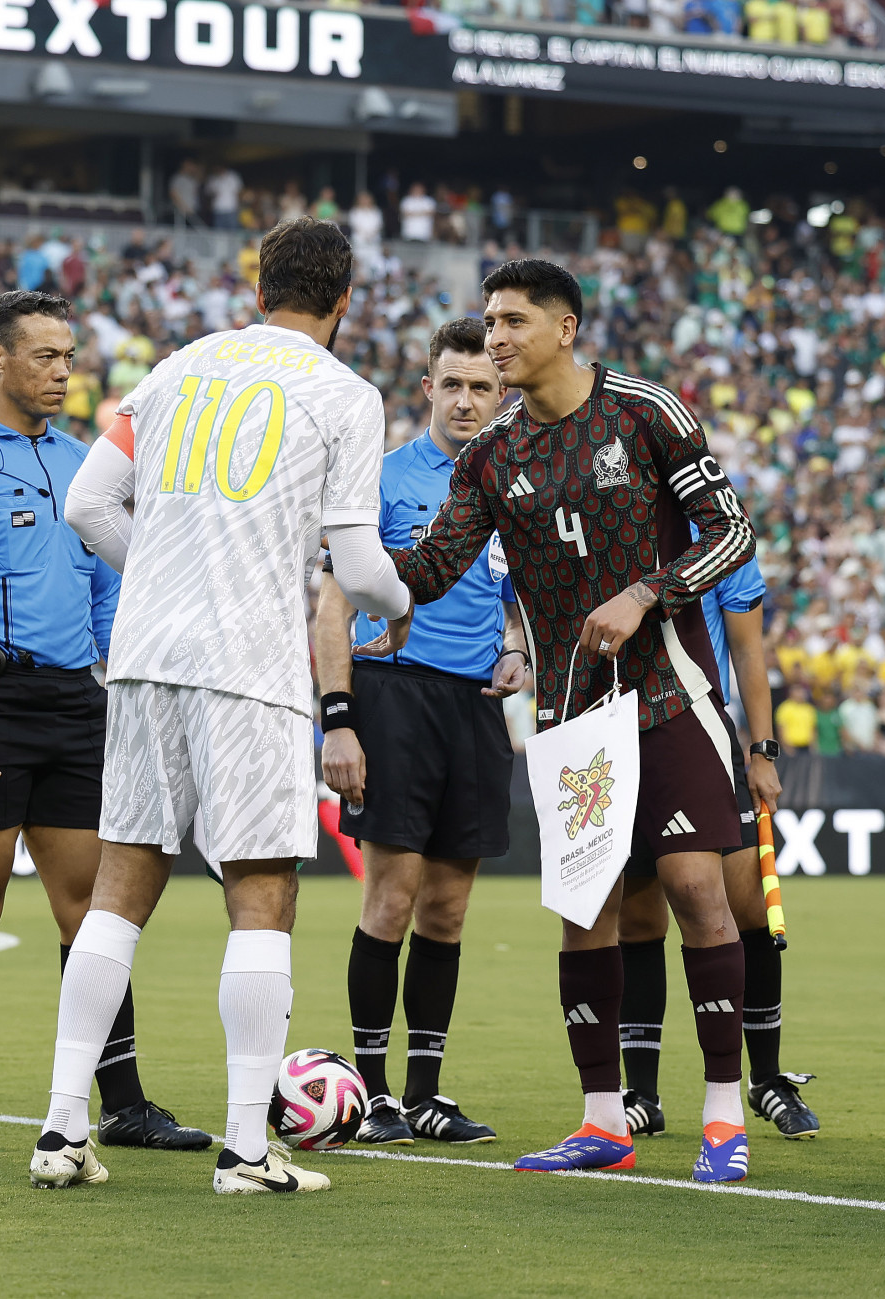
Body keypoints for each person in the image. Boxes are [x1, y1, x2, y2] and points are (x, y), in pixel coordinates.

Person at [51, 218, 411, 1195]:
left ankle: (61, 1128)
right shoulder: (343, 393)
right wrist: (399, 605)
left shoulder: (176, 369)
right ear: (344, 300)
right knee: (261, 891)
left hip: (144, 656)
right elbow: (361, 564)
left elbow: (86, 504)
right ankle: (249, 1150)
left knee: (120, 886)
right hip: (247, 664)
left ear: (260, 288)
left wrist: (165, 577)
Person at [384, 259, 760, 1184]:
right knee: (585, 915)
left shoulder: (645, 412)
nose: (496, 338)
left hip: (668, 692)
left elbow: (732, 532)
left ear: (565, 328)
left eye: (512, 321)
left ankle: (724, 1117)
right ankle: (602, 1120)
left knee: (696, 889)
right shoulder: (489, 456)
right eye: (489, 321)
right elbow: (430, 568)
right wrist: (351, 555)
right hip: (570, 712)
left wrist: (647, 591)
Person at [0, 290, 208, 1158]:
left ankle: (124, 1104)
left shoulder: (87, 467)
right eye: (44, 355)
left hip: (78, 703)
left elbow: (111, 591)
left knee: (94, 908)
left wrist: (126, 689)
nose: (63, 371)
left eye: (69, 356)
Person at [314, 316, 527, 1146]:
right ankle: (372, 1095)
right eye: (454, 384)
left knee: (447, 909)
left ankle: (426, 1093)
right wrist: (339, 719)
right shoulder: (382, 478)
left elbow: (515, 597)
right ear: (428, 387)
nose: (467, 400)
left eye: (483, 386)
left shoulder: (512, 485)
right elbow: (332, 607)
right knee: (392, 898)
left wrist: (516, 647)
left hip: (474, 708)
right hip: (393, 696)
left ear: (502, 394)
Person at [614, 543, 820, 1141]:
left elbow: (748, 650)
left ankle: (766, 1079)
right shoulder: (612, 517)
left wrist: (762, 751)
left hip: (699, 732)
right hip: (616, 732)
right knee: (638, 918)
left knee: (747, 907)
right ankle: (642, 1094)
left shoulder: (718, 534)